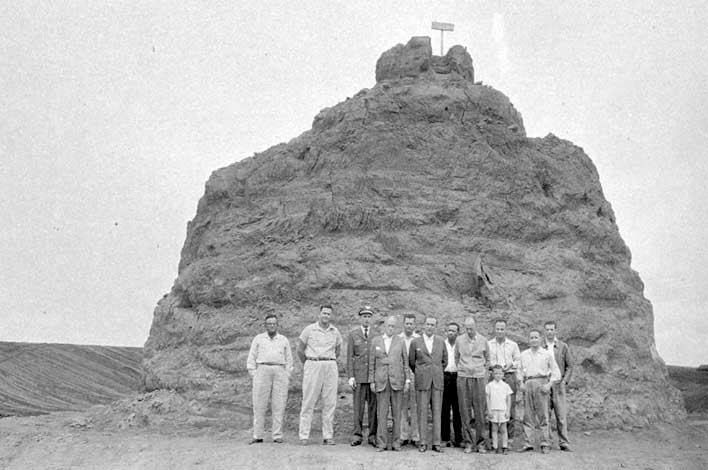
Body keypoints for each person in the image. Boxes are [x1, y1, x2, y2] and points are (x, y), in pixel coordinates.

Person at [297, 304, 343, 445]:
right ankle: (304, 436)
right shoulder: (309, 329)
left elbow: (338, 350)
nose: (326, 316)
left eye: (328, 314)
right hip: (313, 364)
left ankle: (328, 436)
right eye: (324, 313)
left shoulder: (335, 331)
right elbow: (300, 349)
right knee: (308, 401)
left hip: (329, 365)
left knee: (330, 402)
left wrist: (328, 360)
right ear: (319, 314)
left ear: (331, 316)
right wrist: (309, 363)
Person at [246, 314, 294, 444]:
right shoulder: (258, 339)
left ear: (277, 325)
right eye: (269, 324)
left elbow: (289, 359)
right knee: (259, 404)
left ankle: (277, 435)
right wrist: (254, 374)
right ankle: (258, 435)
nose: (272, 326)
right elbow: (251, 358)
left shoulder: (283, 340)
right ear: (265, 325)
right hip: (262, 370)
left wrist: (286, 374)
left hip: (279, 371)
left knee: (279, 404)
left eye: (274, 324)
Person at [368, 316, 409, 452]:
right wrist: (372, 381)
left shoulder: (401, 341)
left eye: (393, 326)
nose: (390, 328)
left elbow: (405, 363)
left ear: (396, 328)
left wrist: (407, 380)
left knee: (397, 414)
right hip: (381, 382)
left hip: (397, 382)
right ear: (384, 326)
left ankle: (396, 443)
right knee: (382, 414)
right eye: (388, 326)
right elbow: (372, 363)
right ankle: (382, 443)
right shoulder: (376, 341)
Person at [517, 329, 561, 454]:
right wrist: (520, 382)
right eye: (531, 337)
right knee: (528, 415)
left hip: (541, 383)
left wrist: (549, 384)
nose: (534, 340)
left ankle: (545, 443)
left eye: (536, 337)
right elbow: (519, 370)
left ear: (541, 339)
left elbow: (556, 372)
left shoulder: (546, 354)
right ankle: (528, 443)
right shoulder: (524, 354)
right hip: (528, 383)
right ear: (529, 339)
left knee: (543, 416)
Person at [408, 316, 447, 453]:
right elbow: (412, 362)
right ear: (424, 326)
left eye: (432, 324)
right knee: (422, 412)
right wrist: (421, 372)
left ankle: (436, 442)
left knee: (437, 412)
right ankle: (423, 442)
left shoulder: (441, 341)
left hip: (437, 381)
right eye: (428, 324)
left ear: (436, 327)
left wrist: (435, 371)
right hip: (422, 381)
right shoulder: (415, 342)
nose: (430, 327)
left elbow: (444, 361)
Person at [455, 316, 490, 454]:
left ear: (476, 326)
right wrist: (463, 369)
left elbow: (488, 359)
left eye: (471, 328)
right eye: (467, 328)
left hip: (479, 378)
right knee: (465, 411)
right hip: (463, 378)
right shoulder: (459, 340)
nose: (469, 331)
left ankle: (481, 443)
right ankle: (468, 442)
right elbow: (456, 357)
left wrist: (481, 371)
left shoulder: (483, 340)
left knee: (480, 411)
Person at [347, 306, 377, 447]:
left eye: (368, 316)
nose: (366, 319)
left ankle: (372, 436)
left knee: (373, 408)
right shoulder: (353, 335)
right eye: (364, 316)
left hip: (372, 378)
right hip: (358, 377)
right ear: (360, 318)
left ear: (371, 318)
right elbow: (349, 357)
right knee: (358, 408)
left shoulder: (376, 335)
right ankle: (357, 435)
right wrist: (351, 376)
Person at [487, 319, 520, 440]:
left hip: (509, 376)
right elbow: (485, 360)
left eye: (502, 329)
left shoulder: (513, 345)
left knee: (509, 405)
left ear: (506, 330)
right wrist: (493, 367)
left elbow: (518, 360)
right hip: (494, 376)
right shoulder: (489, 344)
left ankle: (509, 438)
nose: (500, 331)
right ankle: (492, 437)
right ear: (494, 330)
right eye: (498, 329)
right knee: (492, 404)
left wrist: (510, 365)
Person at [544, 320, 574, 451]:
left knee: (561, 415)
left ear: (555, 330)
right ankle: (547, 443)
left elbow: (570, 366)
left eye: (552, 329)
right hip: (545, 384)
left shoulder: (563, 346)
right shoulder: (540, 346)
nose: (549, 332)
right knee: (545, 415)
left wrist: (564, 381)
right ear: (544, 331)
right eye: (547, 329)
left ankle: (564, 443)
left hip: (558, 384)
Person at [398, 313, 420, 447]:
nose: (409, 326)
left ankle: (416, 436)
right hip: (401, 375)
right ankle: (403, 435)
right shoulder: (398, 338)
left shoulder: (418, 339)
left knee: (416, 406)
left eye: (411, 323)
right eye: (407, 323)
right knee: (402, 406)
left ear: (414, 325)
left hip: (415, 375)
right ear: (403, 324)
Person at [441, 322, 462, 447]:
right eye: (449, 330)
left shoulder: (461, 345)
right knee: (444, 408)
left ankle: (459, 438)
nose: (451, 332)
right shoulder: (442, 344)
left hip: (458, 377)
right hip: (445, 376)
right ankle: (445, 438)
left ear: (458, 332)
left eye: (453, 331)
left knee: (458, 408)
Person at [485, 365, 513, 454]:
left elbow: (509, 399)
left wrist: (508, 411)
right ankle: (495, 446)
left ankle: (505, 447)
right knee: (494, 429)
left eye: (500, 373)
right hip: (493, 410)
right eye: (496, 373)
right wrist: (489, 410)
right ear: (492, 374)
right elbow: (487, 399)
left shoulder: (506, 386)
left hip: (503, 410)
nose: (498, 375)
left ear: (503, 374)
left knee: (504, 429)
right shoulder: (489, 385)